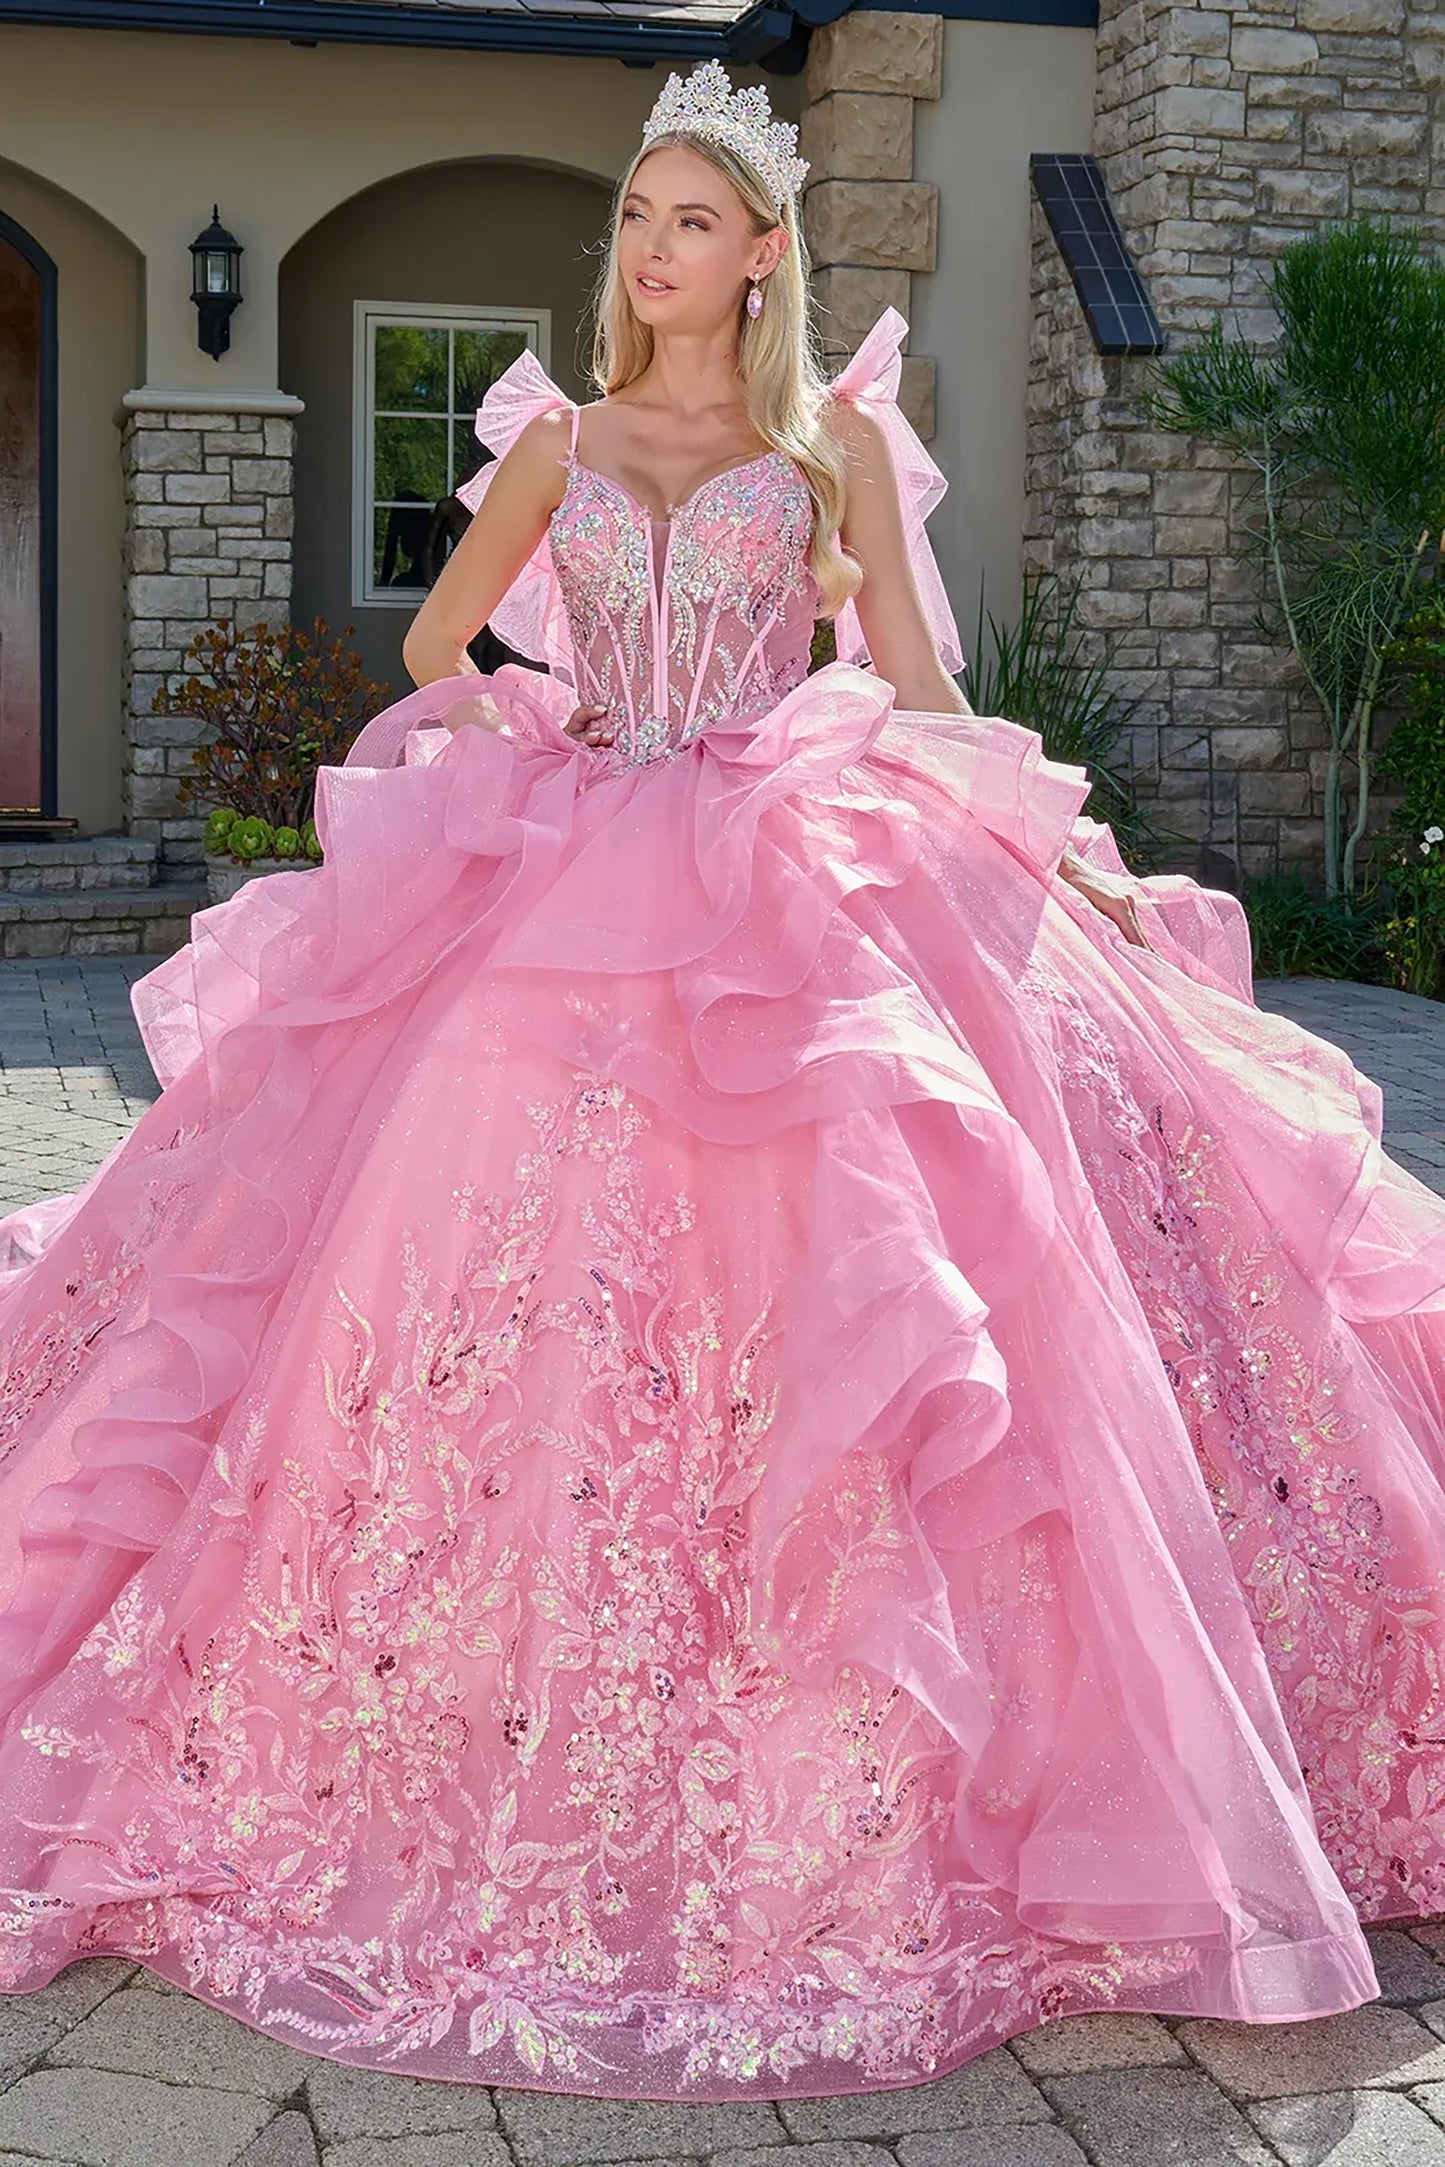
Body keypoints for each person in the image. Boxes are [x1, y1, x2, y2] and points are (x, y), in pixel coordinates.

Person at [0, 58, 1442, 2107]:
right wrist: (555, 714)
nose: (655, 251)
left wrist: (1064, 859)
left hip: (789, 857)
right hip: (580, 849)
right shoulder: (561, 437)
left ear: (765, 251)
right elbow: (435, 646)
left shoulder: (836, 440)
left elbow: (923, 690)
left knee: (873, 1230)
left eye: (691, 219)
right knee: (452, 1233)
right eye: (640, 221)